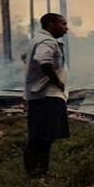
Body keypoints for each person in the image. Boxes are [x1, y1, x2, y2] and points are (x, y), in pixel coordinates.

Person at [22, 12, 70, 178]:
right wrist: (57, 82)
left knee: (42, 137)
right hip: (47, 95)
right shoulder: (47, 41)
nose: (66, 28)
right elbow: (44, 61)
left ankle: (39, 173)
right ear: (50, 24)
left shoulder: (38, 39)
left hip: (40, 95)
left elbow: (26, 57)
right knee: (42, 137)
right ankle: (37, 174)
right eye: (62, 24)